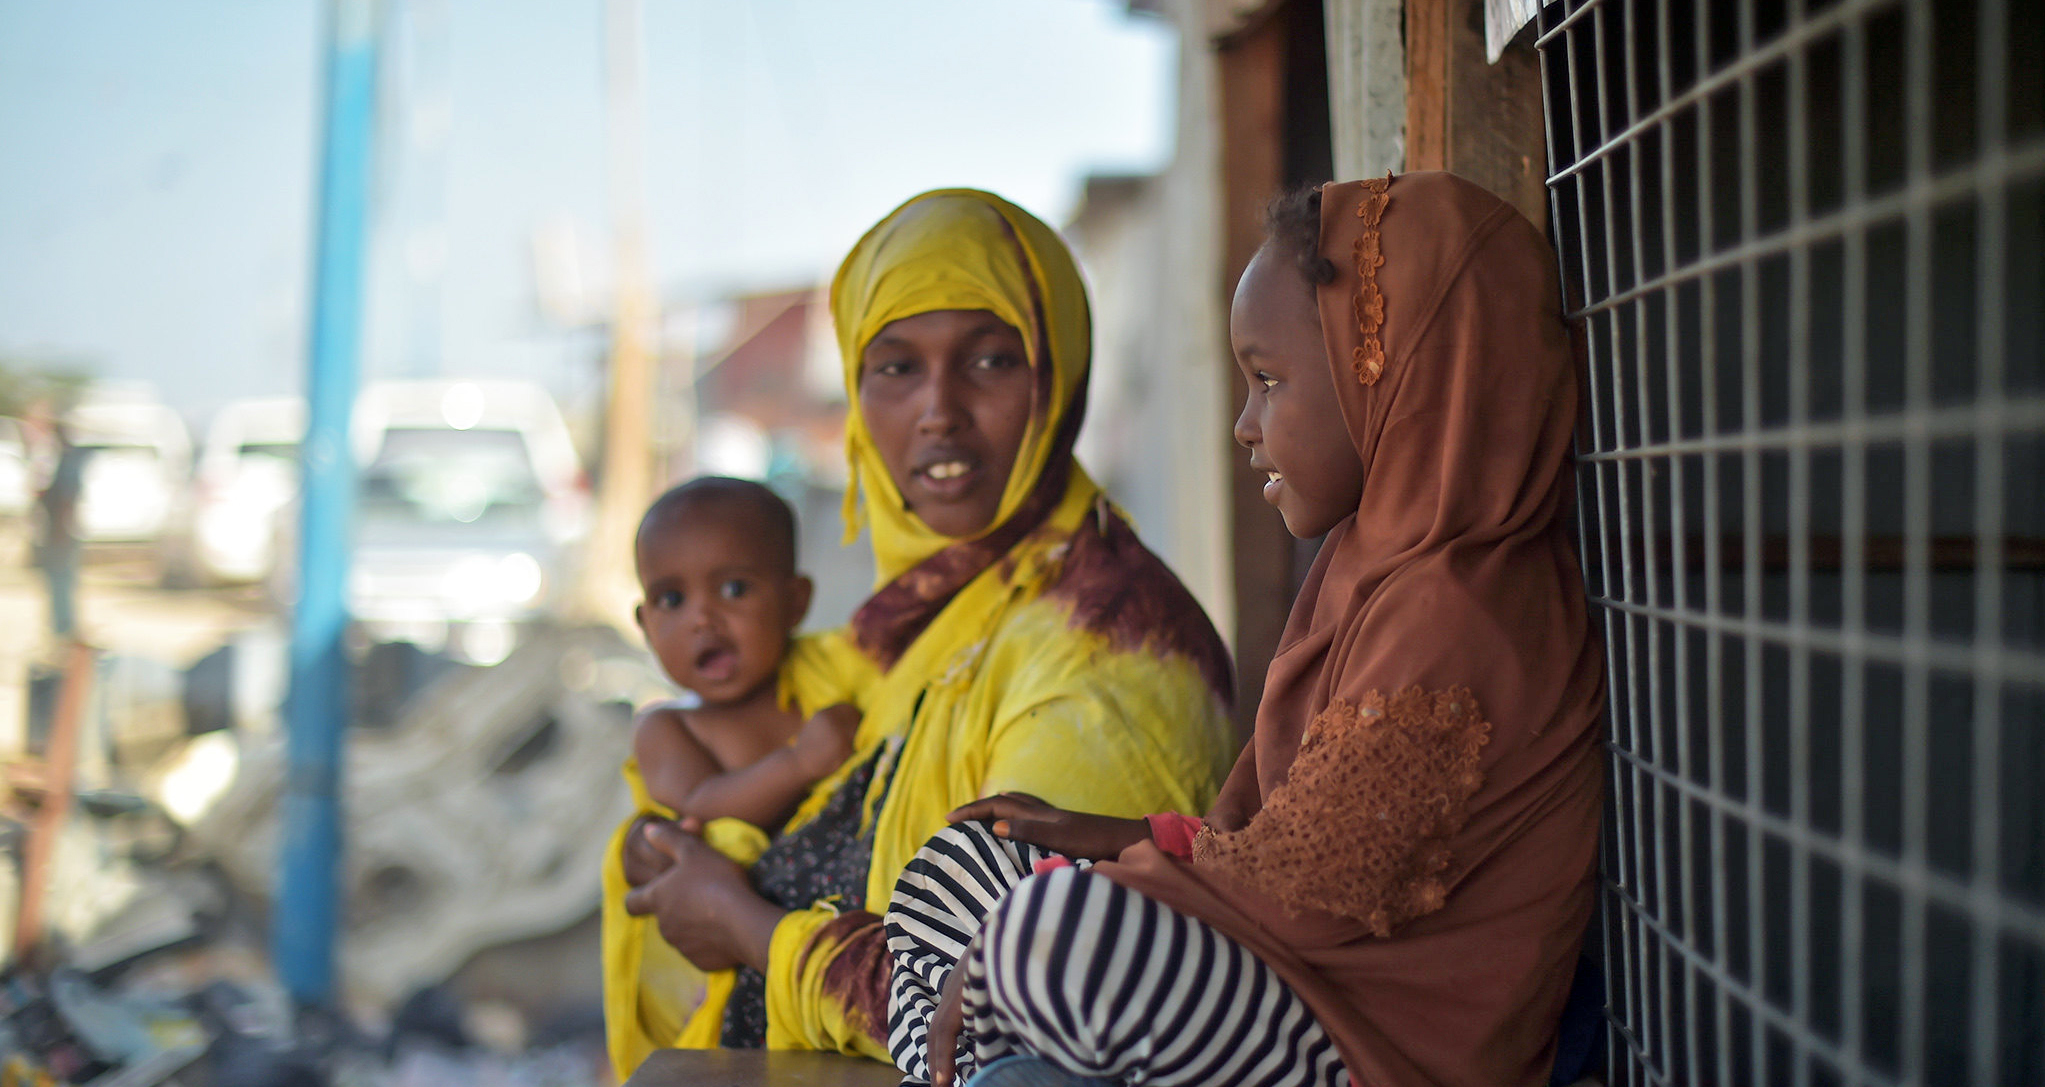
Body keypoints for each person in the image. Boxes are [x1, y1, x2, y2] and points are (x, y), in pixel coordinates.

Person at [884, 172, 1607, 1087]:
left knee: (1049, 936)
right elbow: (1276, 837)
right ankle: (984, 1066)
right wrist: (1119, 837)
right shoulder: (1367, 569)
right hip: (1288, 990)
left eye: (1269, 381)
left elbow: (1307, 890)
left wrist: (1052, 919)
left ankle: (997, 1057)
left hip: (1373, 1048)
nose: (1244, 425)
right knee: (960, 873)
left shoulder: (1462, 609)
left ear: (1403, 378)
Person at [601, 189, 1240, 1078]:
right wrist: (672, 839)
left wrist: (749, 928)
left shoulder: (1109, 650)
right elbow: (751, 730)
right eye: (895, 368)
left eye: (988, 360)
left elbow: (1003, 1005)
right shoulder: (915, 619)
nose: (937, 409)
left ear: (1058, 378)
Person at [629, 477, 861, 835]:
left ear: (795, 602)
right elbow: (700, 806)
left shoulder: (829, 671)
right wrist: (799, 763)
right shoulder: (667, 728)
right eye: (672, 600)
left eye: (733, 589)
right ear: (646, 625)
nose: (702, 619)